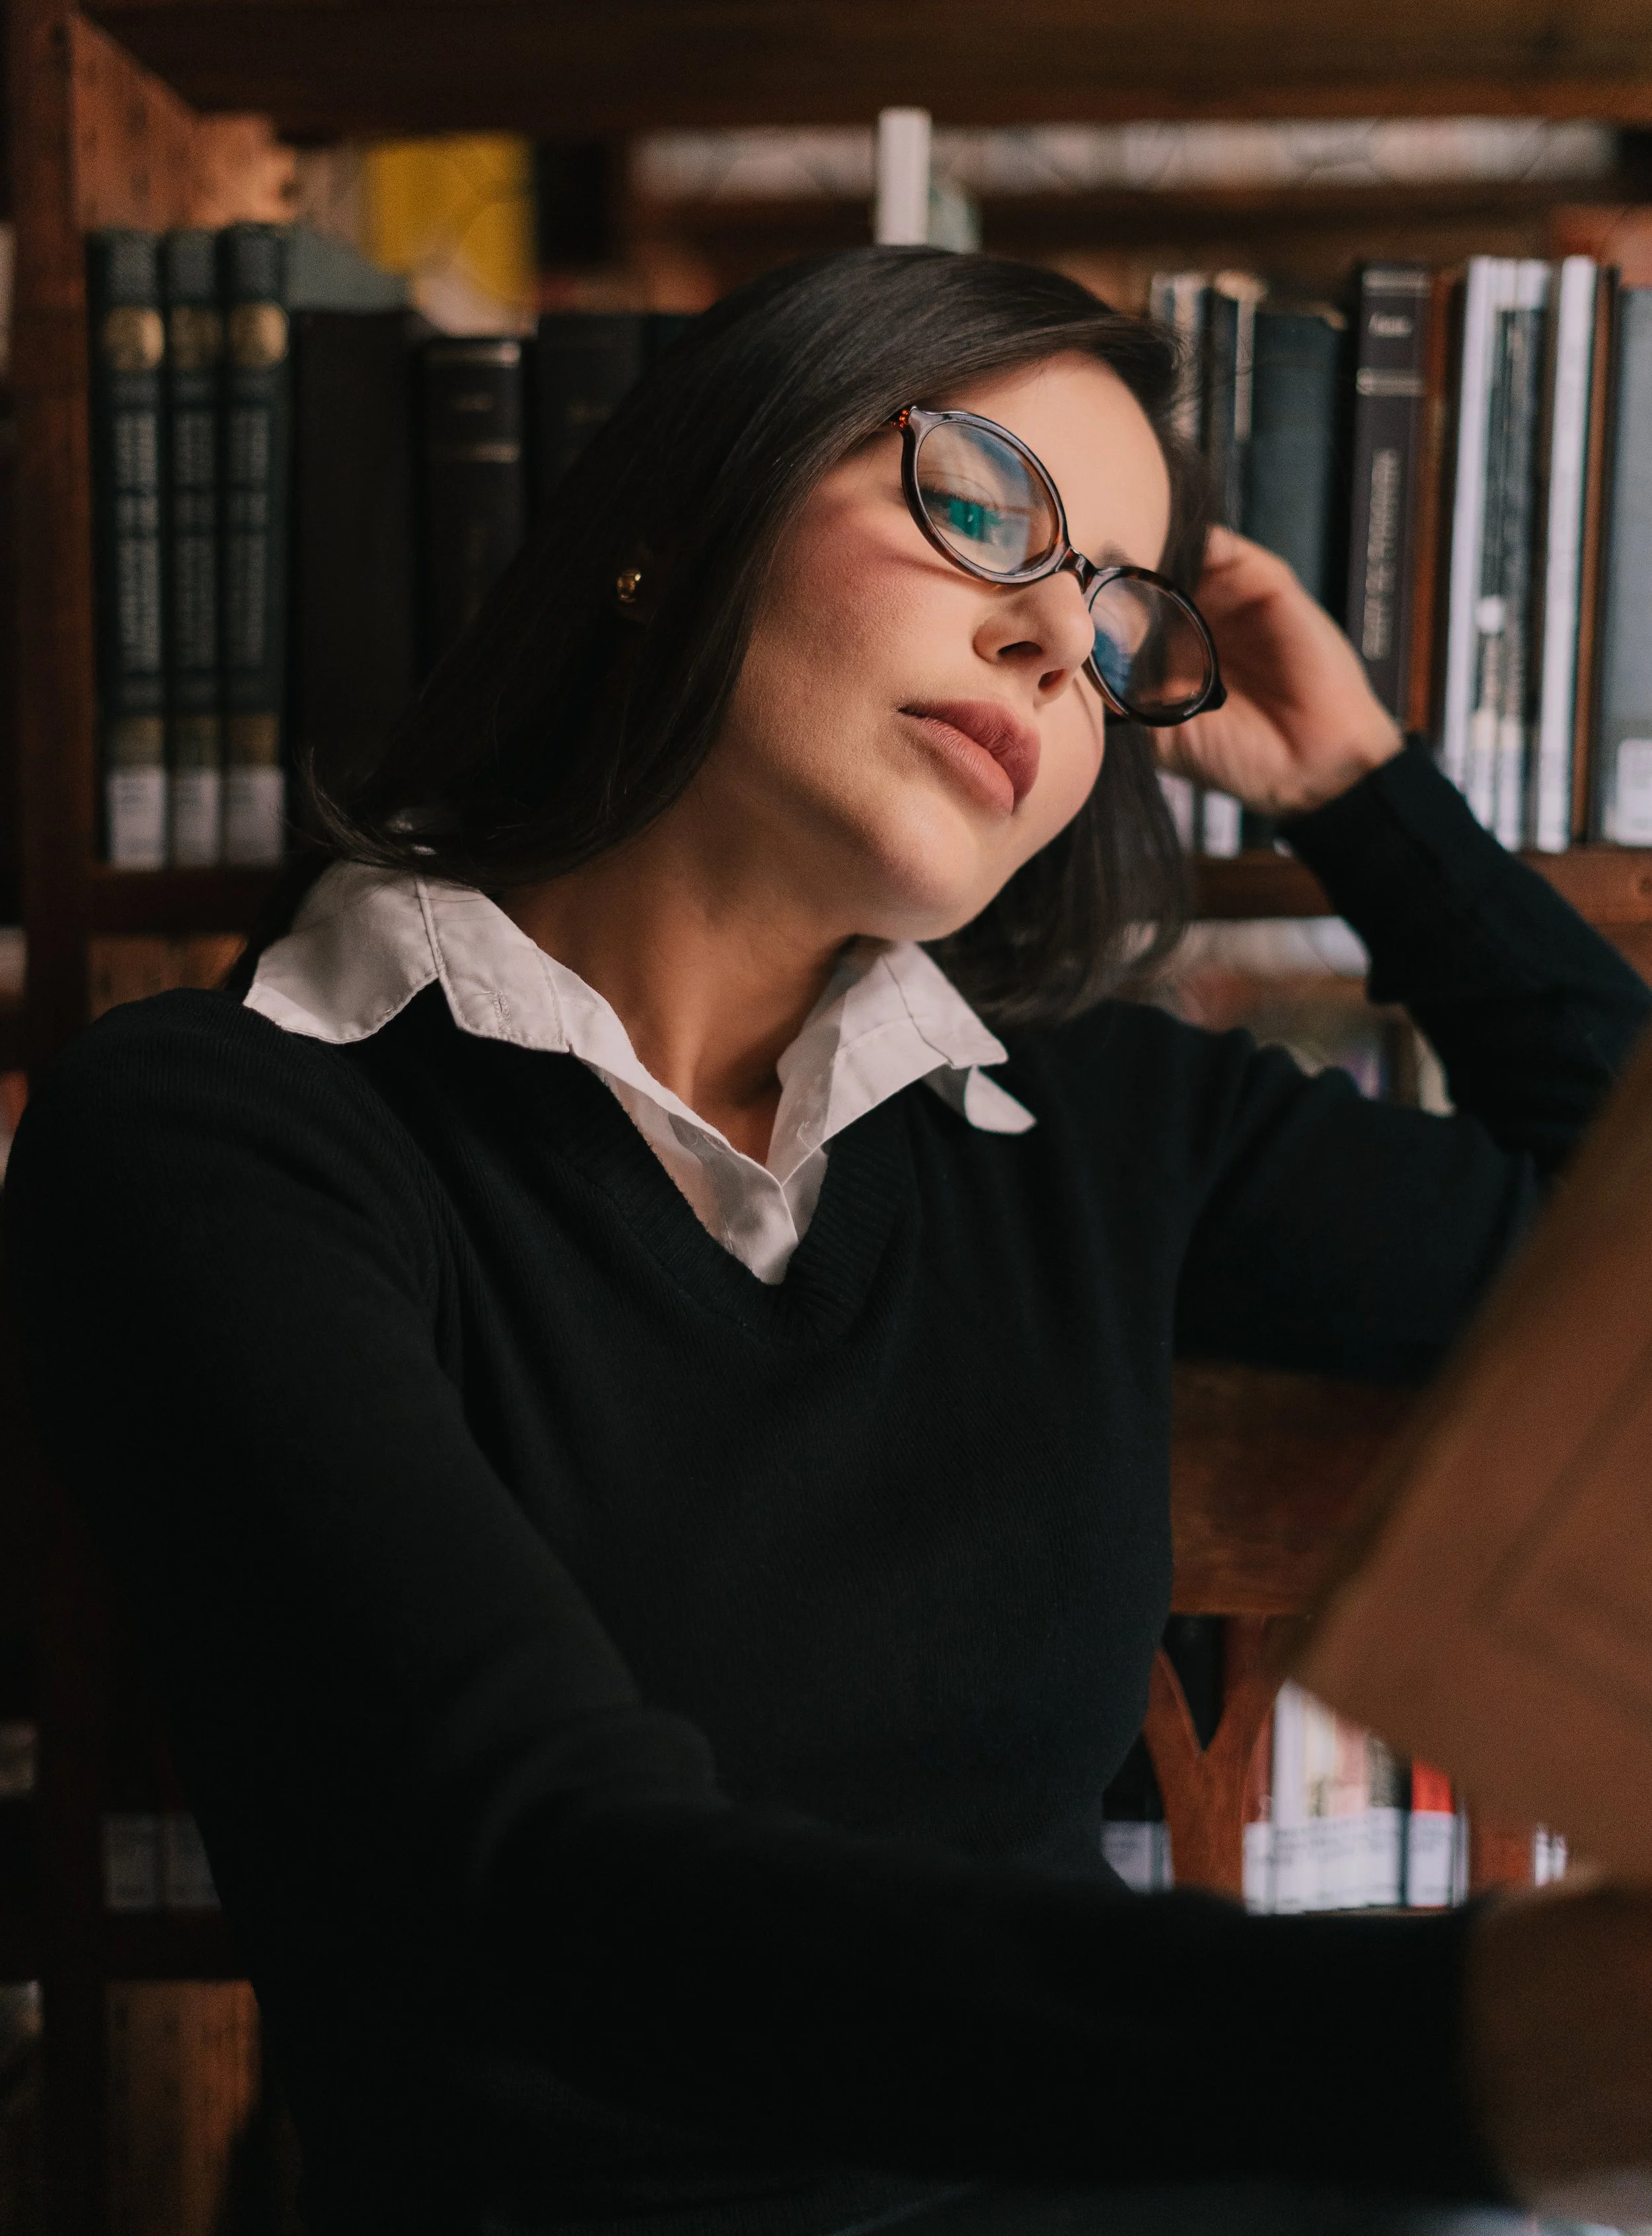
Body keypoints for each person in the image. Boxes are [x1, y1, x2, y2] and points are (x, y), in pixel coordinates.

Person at [8, 247, 1652, 2236]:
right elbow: (546, 1879)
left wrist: (1364, 798)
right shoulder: (229, 1128)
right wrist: (1466, 2047)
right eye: (982, 511)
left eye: (1127, 623)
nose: (1061, 641)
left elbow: (1622, 1268)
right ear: (690, 505)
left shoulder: (1108, 1126)